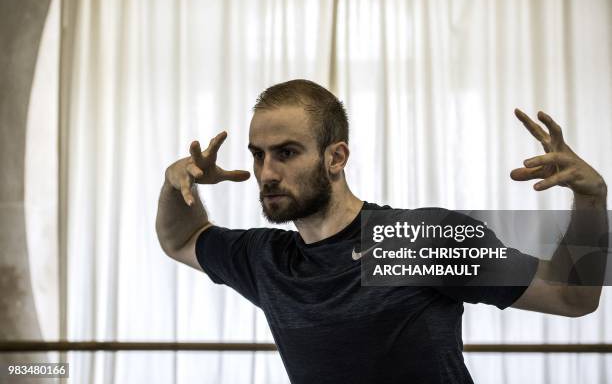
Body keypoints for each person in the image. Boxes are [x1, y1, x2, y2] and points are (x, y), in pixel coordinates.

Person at [155, 79, 608, 383]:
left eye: (287, 152)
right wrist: (177, 182)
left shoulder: (413, 239)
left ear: (336, 158)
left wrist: (592, 199)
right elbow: (179, 239)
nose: (267, 172)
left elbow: (574, 297)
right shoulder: (267, 260)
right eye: (259, 154)